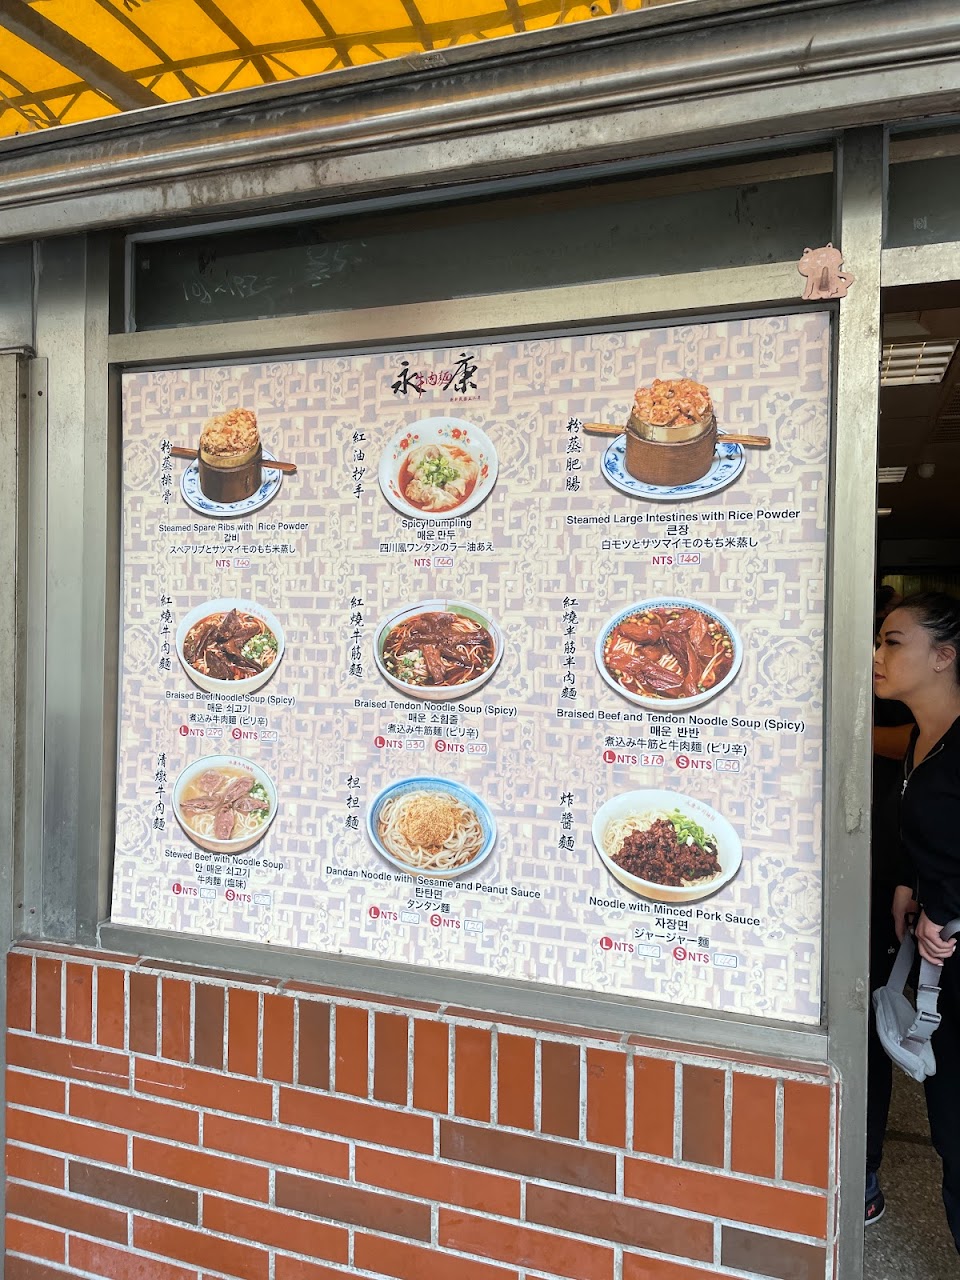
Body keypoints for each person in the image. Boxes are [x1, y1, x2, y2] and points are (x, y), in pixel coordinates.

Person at [874, 590, 960, 1254]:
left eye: (893, 642)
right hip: (939, 964)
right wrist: (910, 882)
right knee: (948, 1124)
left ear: (944, 657)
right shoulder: (917, 738)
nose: (877, 655)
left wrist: (950, 908)